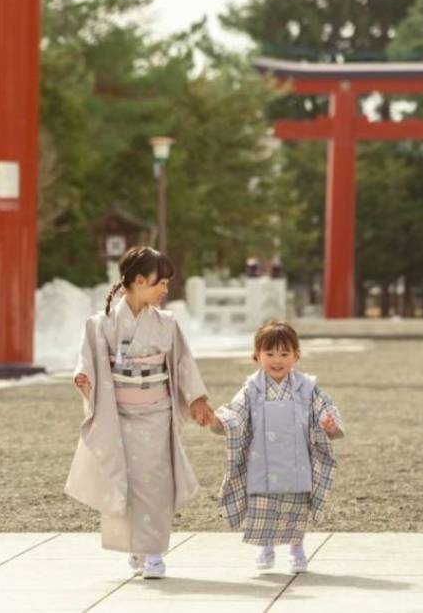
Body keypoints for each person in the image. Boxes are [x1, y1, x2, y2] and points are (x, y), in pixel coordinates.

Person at [65, 246, 215, 580]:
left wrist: (197, 400)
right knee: (124, 482)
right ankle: (134, 545)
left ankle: (154, 552)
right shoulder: (100, 324)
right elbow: (87, 361)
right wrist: (84, 377)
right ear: (139, 280)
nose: (165, 290)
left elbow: (183, 364)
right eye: (161, 283)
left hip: (157, 414)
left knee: (156, 485)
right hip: (118, 415)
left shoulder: (167, 324)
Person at [209, 319, 344, 573]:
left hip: (296, 459)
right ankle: (266, 546)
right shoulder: (252, 388)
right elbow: (235, 413)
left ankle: (297, 549)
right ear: (257, 355)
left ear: (296, 355)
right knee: (264, 506)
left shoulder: (307, 388)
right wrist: (218, 421)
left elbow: (326, 409)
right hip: (262, 458)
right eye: (269, 353)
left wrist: (329, 424)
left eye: (284, 353)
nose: (277, 360)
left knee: (295, 507)